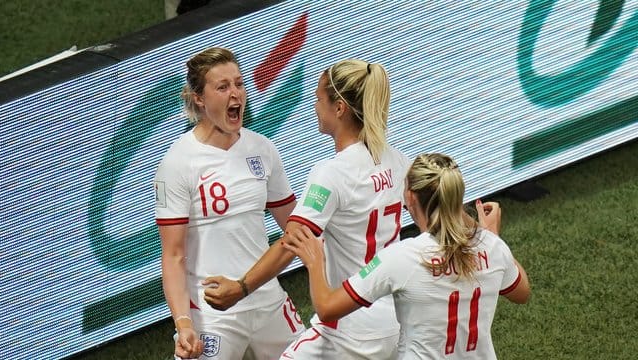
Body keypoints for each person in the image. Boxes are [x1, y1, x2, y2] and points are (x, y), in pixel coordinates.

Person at [203, 59, 502, 358]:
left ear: (339, 109)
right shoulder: (397, 160)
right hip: (393, 322)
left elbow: (292, 241)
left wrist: (241, 288)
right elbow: (445, 207)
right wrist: (483, 235)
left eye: (319, 99)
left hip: (348, 326)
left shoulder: (331, 174)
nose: (314, 106)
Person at [284, 153, 531, 359]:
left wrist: (315, 262)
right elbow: (521, 293)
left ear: (410, 197)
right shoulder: (492, 246)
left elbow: (327, 308)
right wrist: (489, 236)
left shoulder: (402, 258)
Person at [154, 47, 304, 360]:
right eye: (222, 87)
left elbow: (297, 228)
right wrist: (183, 323)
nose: (235, 94)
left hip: (267, 300)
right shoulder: (178, 163)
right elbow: (173, 255)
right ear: (199, 99)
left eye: (239, 84)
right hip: (212, 312)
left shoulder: (262, 149)